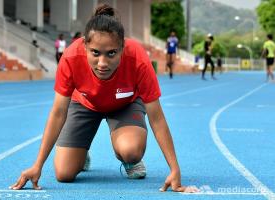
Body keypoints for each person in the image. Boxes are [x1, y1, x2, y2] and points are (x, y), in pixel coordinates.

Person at [10, 4, 198, 193]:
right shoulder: (70, 57)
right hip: (85, 103)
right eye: (95, 53)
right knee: (64, 174)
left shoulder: (138, 59)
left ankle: (129, 161)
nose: (102, 63)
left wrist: (174, 169)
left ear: (122, 48)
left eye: (111, 54)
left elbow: (156, 118)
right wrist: (37, 165)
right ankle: (82, 153)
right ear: (84, 46)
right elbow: (58, 113)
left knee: (131, 151)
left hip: (125, 104)